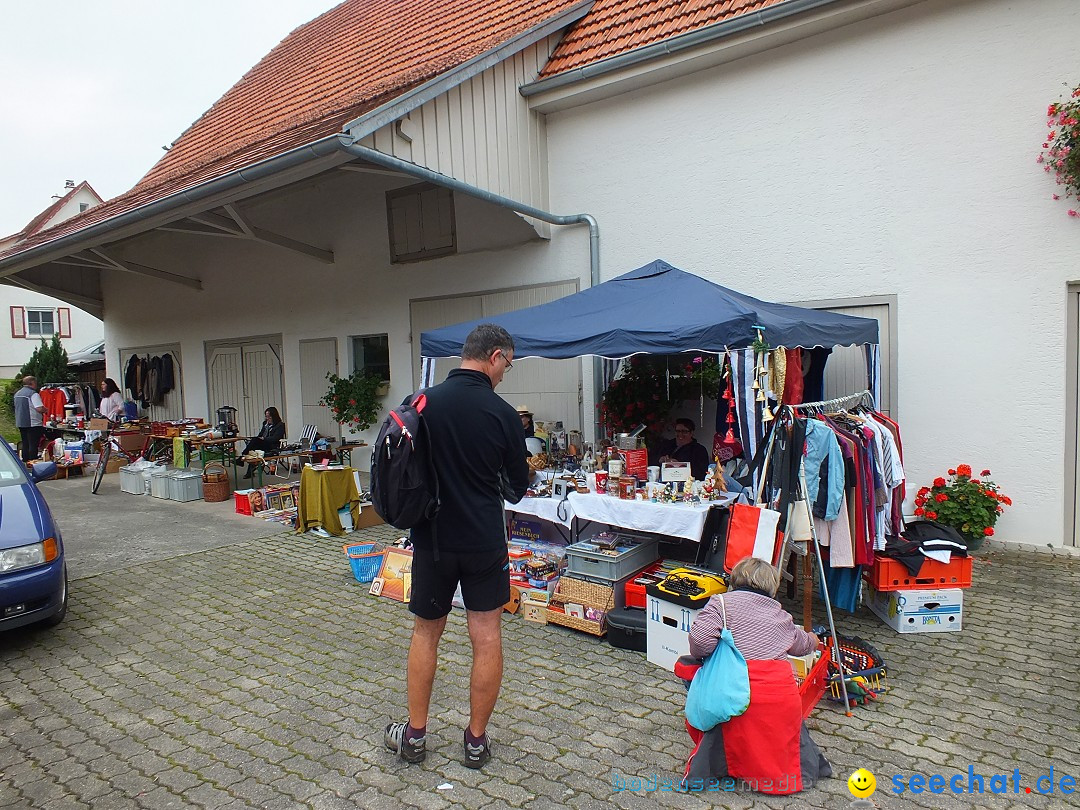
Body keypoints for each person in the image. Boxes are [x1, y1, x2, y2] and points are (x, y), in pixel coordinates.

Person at [384, 323, 529, 770]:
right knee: (485, 637)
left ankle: (414, 737)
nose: (507, 372)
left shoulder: (423, 402)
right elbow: (517, 490)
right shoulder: (503, 414)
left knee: (427, 632)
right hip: (484, 540)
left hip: (434, 539)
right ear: (495, 356)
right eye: (508, 362)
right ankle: (476, 741)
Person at [682, 557, 831, 793]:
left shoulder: (721, 604)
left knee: (690, 670)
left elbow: (700, 642)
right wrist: (814, 640)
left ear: (737, 578)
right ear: (771, 586)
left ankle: (721, 764)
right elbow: (801, 644)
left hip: (734, 695)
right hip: (782, 699)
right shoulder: (780, 614)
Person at [238, 407, 286, 479]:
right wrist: (259, 438)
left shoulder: (280, 425)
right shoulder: (265, 424)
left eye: (269, 416)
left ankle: (242, 457)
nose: (267, 418)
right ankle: (249, 471)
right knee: (253, 445)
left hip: (272, 445)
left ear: (274, 416)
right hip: (263, 443)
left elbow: (276, 438)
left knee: (254, 445)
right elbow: (260, 434)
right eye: (266, 416)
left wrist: (263, 439)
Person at [13, 376, 47, 464]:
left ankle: (25, 461)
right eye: (35, 382)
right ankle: (33, 462)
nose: (36, 384)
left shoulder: (17, 394)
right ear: (32, 383)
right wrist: (46, 410)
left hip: (21, 422)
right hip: (33, 422)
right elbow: (39, 408)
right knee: (33, 444)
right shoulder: (33, 394)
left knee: (25, 443)